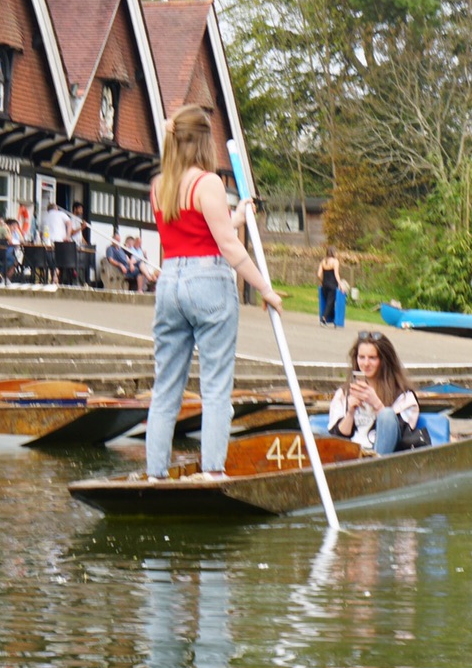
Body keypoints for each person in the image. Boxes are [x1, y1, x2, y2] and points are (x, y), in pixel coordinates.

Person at [142, 105, 284, 482]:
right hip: (208, 282)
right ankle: (212, 471)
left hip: (170, 281)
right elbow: (228, 246)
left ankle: (154, 474)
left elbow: (201, 224)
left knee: (166, 387)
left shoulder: (160, 186)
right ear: (203, 140)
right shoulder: (208, 183)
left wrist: (238, 216)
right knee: (216, 385)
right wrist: (264, 288)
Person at [329, 331, 422, 454]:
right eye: (361, 357)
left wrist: (377, 404)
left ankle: (375, 465)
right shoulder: (344, 393)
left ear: (384, 361)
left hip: (384, 457)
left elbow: (400, 434)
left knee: (387, 414)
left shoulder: (403, 395)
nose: (366, 363)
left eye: (372, 358)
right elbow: (337, 437)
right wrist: (350, 412)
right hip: (352, 455)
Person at [317, 248, 342, 326]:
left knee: (328, 302)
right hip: (333, 284)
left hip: (325, 284)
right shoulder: (335, 261)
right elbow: (336, 274)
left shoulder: (323, 261)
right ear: (334, 253)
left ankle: (333, 318)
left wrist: (322, 281)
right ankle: (324, 318)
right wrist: (340, 284)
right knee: (330, 302)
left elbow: (319, 274)